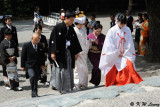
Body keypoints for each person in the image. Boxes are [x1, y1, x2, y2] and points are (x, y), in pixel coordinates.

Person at [99, 13, 143, 87]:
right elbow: (109, 44)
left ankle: (128, 81)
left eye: (124, 23)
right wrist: (117, 52)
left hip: (125, 53)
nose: (122, 25)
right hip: (114, 53)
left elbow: (129, 43)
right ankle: (112, 82)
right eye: (121, 23)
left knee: (129, 64)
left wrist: (124, 52)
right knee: (111, 66)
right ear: (117, 21)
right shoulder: (111, 31)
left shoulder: (127, 29)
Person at [49, 10, 82, 93]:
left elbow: (75, 41)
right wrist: (52, 52)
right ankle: (61, 88)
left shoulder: (71, 28)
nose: (72, 21)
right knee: (61, 70)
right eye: (71, 19)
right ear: (66, 18)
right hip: (60, 52)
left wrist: (76, 52)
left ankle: (69, 87)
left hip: (69, 51)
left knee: (69, 68)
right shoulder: (58, 27)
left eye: (73, 20)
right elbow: (53, 40)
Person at [73, 16, 89, 90]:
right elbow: (74, 43)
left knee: (84, 68)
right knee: (77, 69)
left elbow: (86, 39)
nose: (82, 25)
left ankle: (84, 83)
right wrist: (75, 52)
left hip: (84, 51)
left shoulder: (83, 30)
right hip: (78, 52)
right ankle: (77, 84)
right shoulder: (74, 30)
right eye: (81, 24)